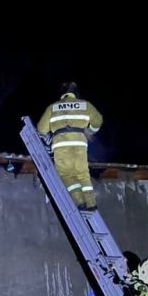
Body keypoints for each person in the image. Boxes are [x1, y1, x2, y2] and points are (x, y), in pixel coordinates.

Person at [37, 82, 104, 210]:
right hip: (79, 144)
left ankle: (80, 201)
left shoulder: (53, 107)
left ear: (62, 93)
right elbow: (98, 120)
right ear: (75, 93)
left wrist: (49, 135)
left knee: (66, 175)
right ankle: (91, 203)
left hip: (61, 146)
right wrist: (89, 131)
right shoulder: (85, 105)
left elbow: (41, 129)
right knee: (83, 174)